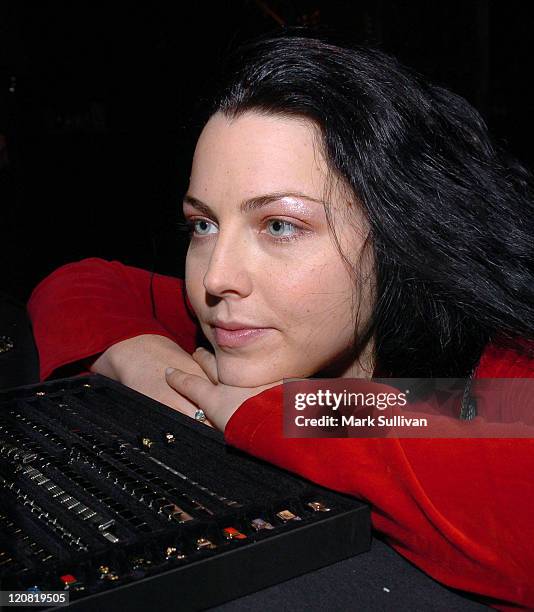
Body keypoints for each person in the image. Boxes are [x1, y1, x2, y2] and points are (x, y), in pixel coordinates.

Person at [27, 31, 534, 610]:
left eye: (279, 226)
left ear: (399, 237)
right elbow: (82, 280)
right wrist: (149, 363)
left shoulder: (499, 367)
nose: (216, 278)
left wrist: (276, 410)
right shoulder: (256, 319)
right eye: (203, 225)